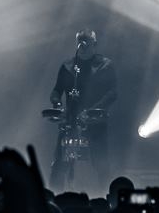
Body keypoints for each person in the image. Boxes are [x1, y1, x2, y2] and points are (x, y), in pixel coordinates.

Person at [49, 29, 117, 191]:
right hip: (70, 122)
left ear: (95, 44)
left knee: (102, 165)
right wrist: (57, 104)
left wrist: (93, 109)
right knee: (59, 164)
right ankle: (54, 198)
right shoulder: (67, 66)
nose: (83, 44)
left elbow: (112, 93)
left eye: (87, 41)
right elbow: (57, 90)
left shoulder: (105, 65)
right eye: (80, 41)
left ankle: (106, 198)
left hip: (95, 123)